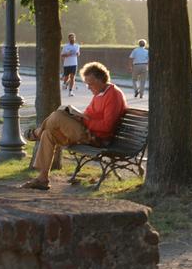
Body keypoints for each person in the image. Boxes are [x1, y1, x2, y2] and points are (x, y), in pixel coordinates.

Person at [21, 62, 127, 190]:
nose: (88, 87)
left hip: (96, 138)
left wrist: (85, 120)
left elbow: (107, 126)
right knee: (47, 134)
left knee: (57, 116)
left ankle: (35, 133)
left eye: (90, 84)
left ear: (100, 80)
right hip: (85, 132)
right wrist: (78, 116)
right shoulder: (99, 94)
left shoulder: (113, 95)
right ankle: (42, 179)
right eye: (87, 84)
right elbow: (89, 115)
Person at [60, 32, 81, 97]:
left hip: (74, 63)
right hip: (67, 64)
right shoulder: (66, 46)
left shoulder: (77, 46)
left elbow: (78, 53)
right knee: (66, 77)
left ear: (75, 38)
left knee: (72, 77)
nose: (72, 39)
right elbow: (62, 55)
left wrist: (78, 54)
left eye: (73, 38)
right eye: (71, 38)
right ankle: (65, 83)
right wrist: (67, 54)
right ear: (69, 39)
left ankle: (70, 91)